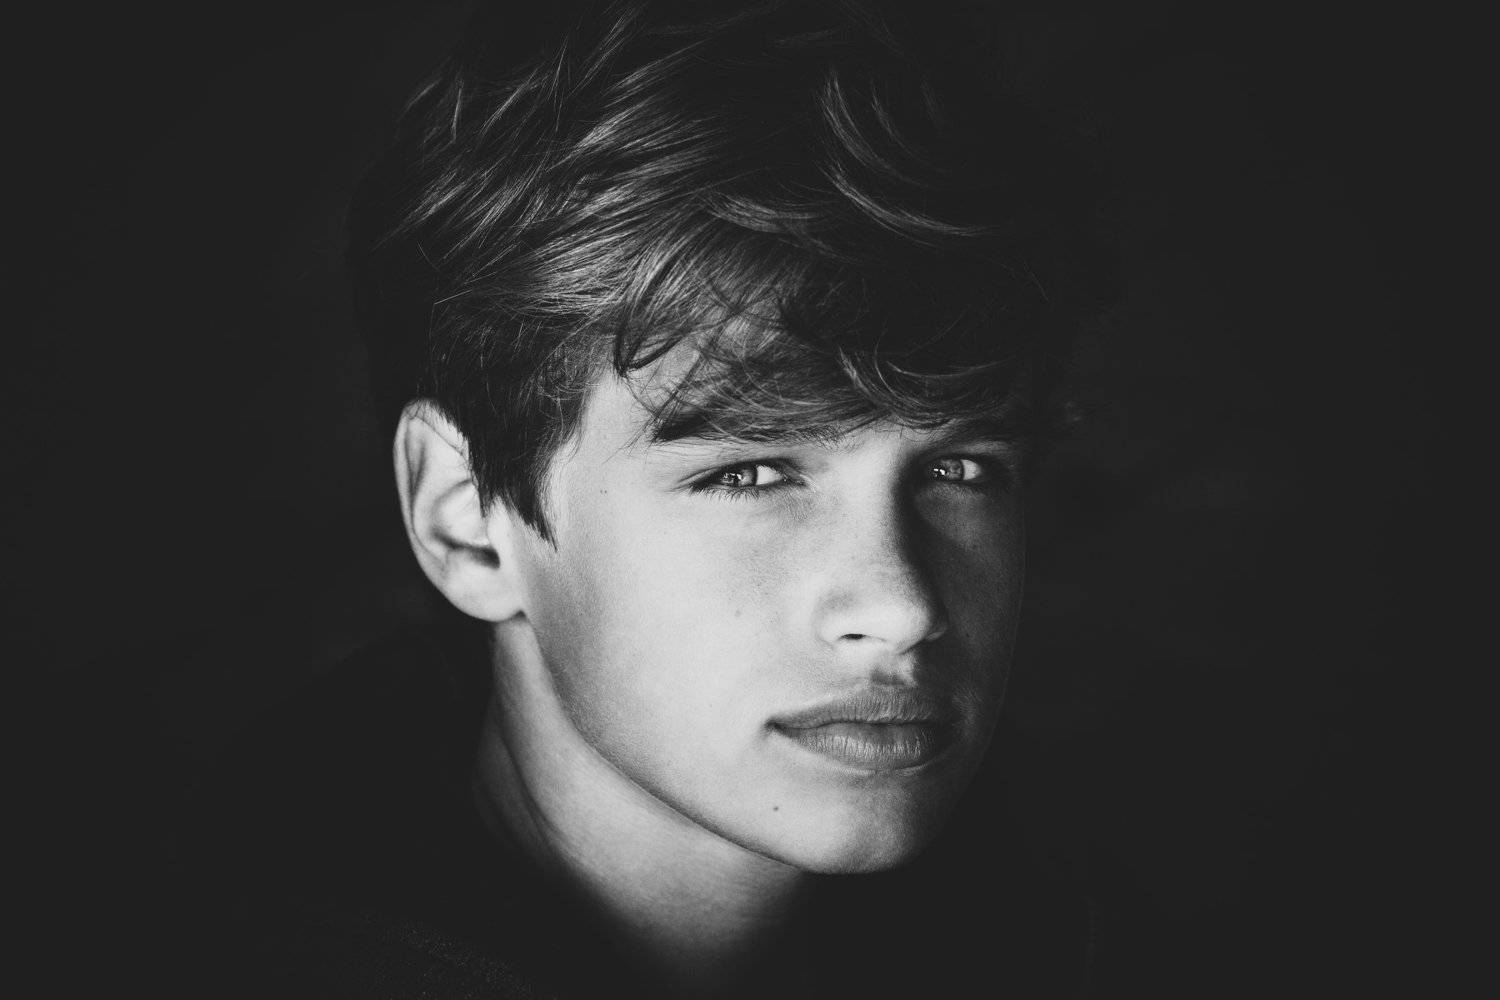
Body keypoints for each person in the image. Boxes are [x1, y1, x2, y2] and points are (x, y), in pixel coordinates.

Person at [184, 1, 1110, 996]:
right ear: (467, 522)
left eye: (959, 469)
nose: (902, 606)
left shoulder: (1052, 911)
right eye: (748, 474)